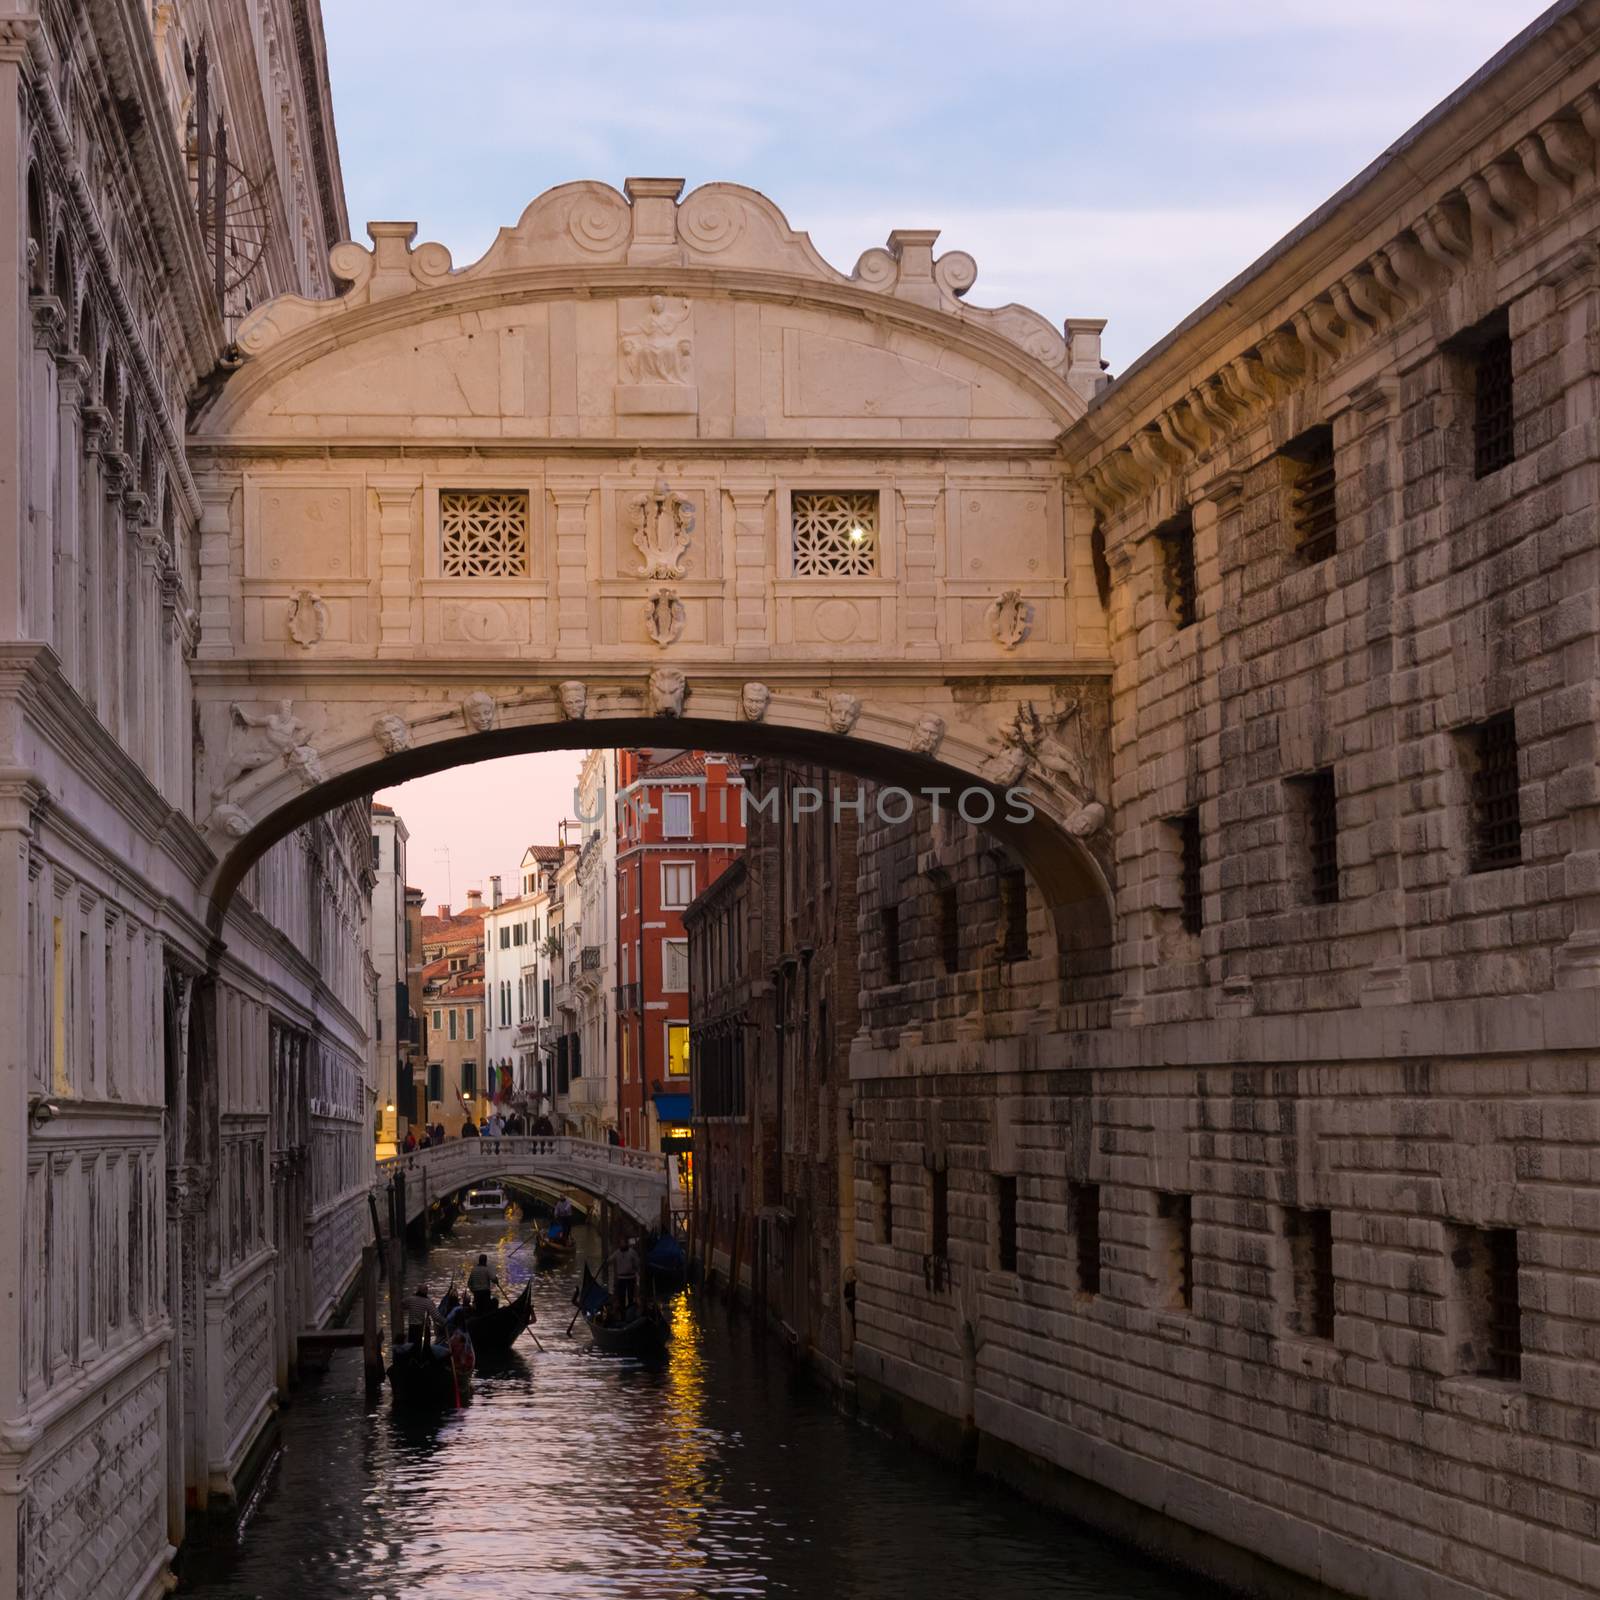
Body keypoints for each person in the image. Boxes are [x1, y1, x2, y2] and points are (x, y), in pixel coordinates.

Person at [400, 1283, 441, 1352]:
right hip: (423, 1329)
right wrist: (445, 1322)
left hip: (412, 1328)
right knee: (425, 1348)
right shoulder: (428, 1302)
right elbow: (436, 1316)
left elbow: (402, 1305)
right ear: (426, 1292)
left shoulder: (410, 1299)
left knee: (412, 1347)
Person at [608, 1237, 640, 1313]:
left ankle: (630, 1311)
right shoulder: (617, 1252)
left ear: (626, 1244)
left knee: (630, 1296)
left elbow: (637, 1263)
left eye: (623, 1243)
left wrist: (636, 1269)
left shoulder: (632, 1252)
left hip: (631, 1277)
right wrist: (606, 1260)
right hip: (621, 1278)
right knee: (621, 1297)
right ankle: (623, 1312)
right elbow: (609, 1260)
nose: (622, 1245)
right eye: (621, 1243)